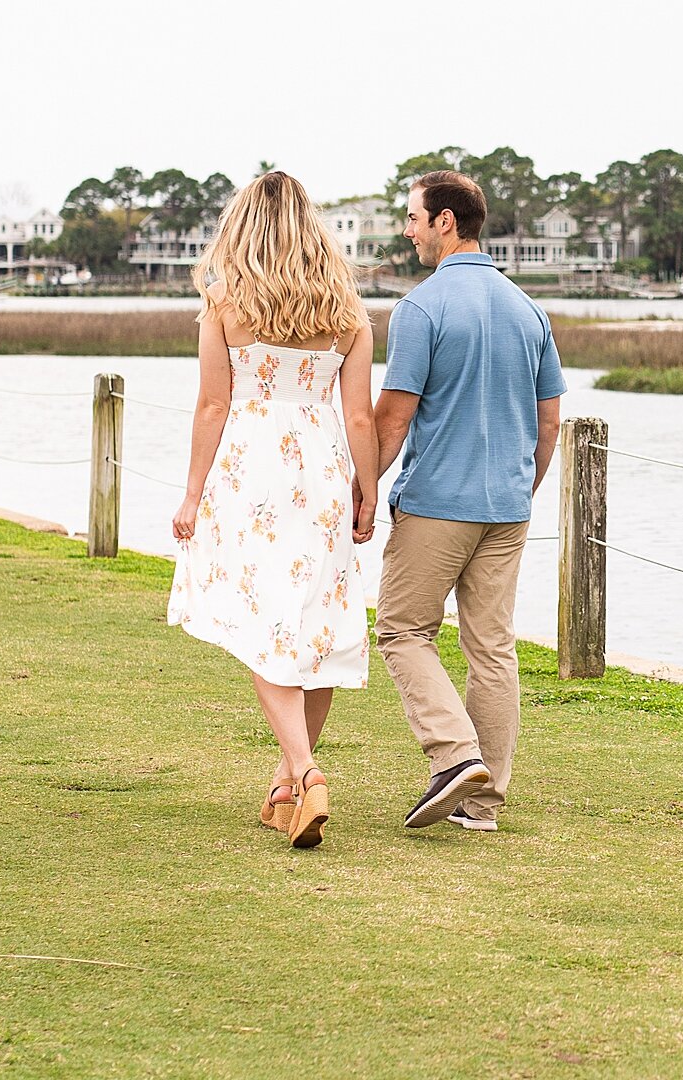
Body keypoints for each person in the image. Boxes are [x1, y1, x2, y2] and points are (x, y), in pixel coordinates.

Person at [166, 171, 380, 849]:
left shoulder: (222, 301)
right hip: (320, 472)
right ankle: (288, 785)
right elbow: (357, 415)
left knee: (262, 622)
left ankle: (309, 771)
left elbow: (213, 405)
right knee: (310, 626)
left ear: (243, 228)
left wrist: (193, 492)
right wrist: (366, 488)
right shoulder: (347, 311)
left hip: (249, 474)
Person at [374, 169, 565, 832]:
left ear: (445, 222)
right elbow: (550, 422)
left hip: (436, 505)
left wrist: (359, 492)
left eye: (414, 217)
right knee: (492, 648)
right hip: (508, 507)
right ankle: (481, 807)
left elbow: (393, 418)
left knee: (402, 631)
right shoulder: (528, 309)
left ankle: (456, 758)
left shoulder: (421, 307)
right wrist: (522, 489)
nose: (408, 230)